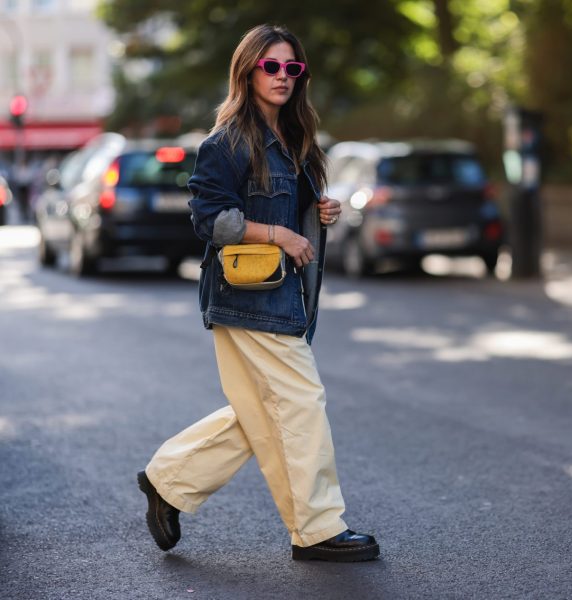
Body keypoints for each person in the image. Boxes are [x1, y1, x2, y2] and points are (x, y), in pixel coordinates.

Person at [136, 24, 380, 563]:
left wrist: (317, 215)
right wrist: (279, 233)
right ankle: (317, 529)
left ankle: (168, 481)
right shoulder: (225, 143)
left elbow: (286, 215)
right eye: (272, 66)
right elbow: (208, 219)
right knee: (300, 402)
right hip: (247, 293)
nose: (283, 77)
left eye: (292, 68)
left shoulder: (298, 141)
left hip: (283, 294)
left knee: (259, 413)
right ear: (248, 70)